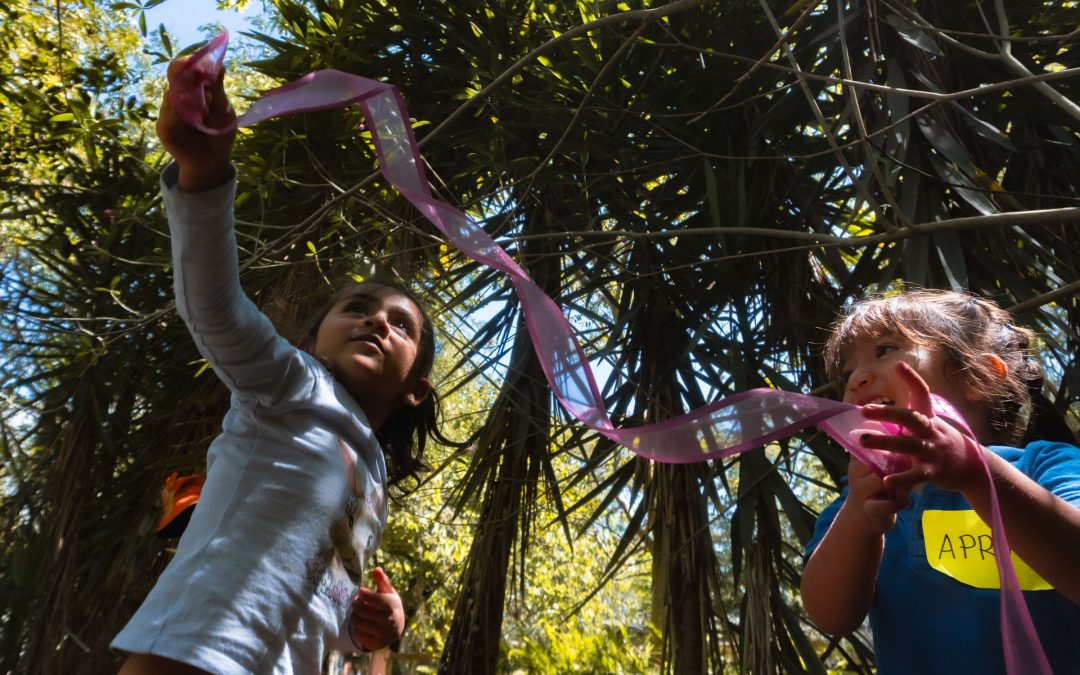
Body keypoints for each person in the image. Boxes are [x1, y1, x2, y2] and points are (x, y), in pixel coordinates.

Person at [113, 56, 451, 674]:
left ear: (415, 391)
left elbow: (325, 602)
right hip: (198, 649)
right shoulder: (292, 381)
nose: (378, 320)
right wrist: (204, 173)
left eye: (402, 325)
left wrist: (374, 624)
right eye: (357, 307)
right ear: (313, 338)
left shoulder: (371, 482)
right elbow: (213, 308)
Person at [801, 289, 1080, 674]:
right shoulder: (862, 503)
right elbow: (831, 616)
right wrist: (858, 522)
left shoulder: (1046, 465)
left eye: (885, 350)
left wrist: (976, 473)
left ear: (976, 377)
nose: (857, 381)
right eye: (847, 373)